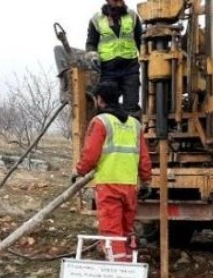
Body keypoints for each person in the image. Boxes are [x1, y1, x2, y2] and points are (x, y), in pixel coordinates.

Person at [73, 82, 152, 262]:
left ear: (100, 100)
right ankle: (130, 266)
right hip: (130, 186)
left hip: (109, 185)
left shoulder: (100, 122)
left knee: (111, 231)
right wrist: (146, 180)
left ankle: (119, 271)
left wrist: (79, 171)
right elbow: (144, 156)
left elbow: (91, 154)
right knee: (126, 228)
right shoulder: (134, 124)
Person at [85, 0, 143, 117]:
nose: (119, 2)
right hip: (108, 70)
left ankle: (131, 131)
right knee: (108, 107)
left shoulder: (132, 16)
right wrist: (93, 56)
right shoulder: (97, 19)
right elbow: (91, 43)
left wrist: (147, 60)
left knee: (131, 107)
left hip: (130, 69)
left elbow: (141, 41)